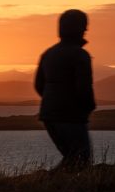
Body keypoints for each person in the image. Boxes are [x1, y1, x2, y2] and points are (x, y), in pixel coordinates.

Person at [34, 9, 95, 170]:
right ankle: (67, 191)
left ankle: (54, 188)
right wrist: (88, 107)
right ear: (78, 28)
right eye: (84, 26)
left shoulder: (48, 54)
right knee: (81, 159)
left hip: (49, 115)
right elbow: (84, 88)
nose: (86, 30)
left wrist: (52, 101)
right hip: (71, 116)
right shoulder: (80, 55)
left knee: (71, 157)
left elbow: (39, 85)